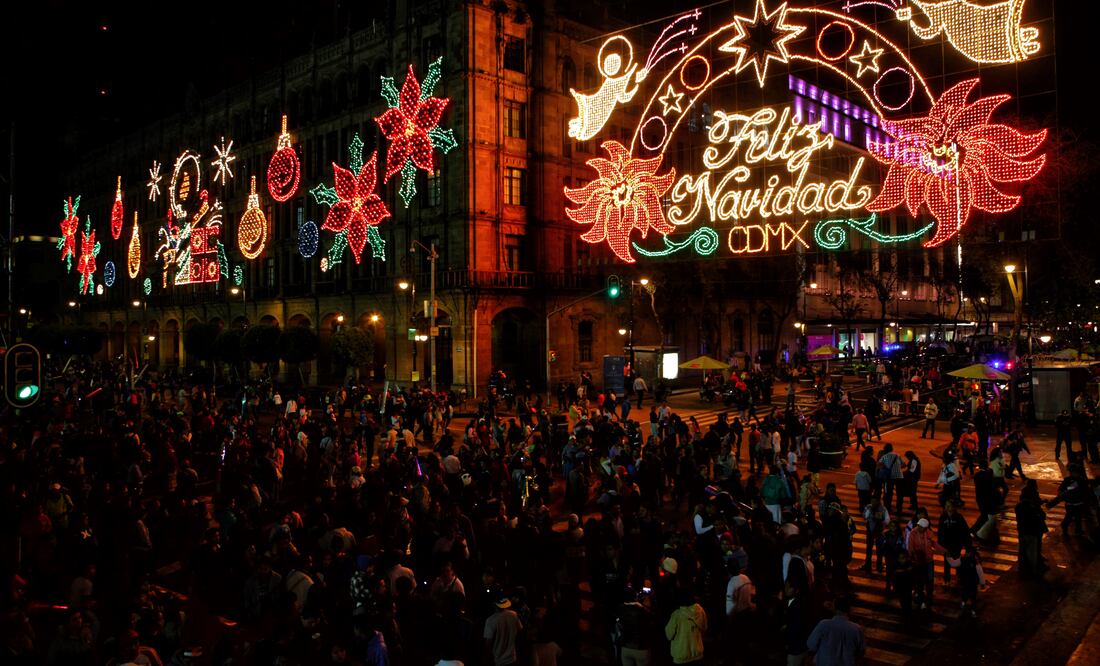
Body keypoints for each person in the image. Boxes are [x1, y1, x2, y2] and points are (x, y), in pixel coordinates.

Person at [806, 597, 865, 666]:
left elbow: (811, 644)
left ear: (834, 608)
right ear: (849, 609)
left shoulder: (824, 624)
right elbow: (861, 652)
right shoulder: (857, 629)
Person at [1015, 480, 1048, 576]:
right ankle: (1033, 568)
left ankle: (1023, 566)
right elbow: (1040, 516)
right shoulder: (1031, 508)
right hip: (1032, 530)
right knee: (1032, 550)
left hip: (1022, 530)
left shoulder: (1019, 507)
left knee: (1022, 549)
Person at [664, 589, 707, 665]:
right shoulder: (700, 611)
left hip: (681, 656)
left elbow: (669, 635)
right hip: (697, 654)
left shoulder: (676, 615)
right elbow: (704, 628)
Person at [484, 592, 524, 666]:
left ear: (493, 604)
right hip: (513, 658)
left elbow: (488, 644)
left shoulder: (491, 620)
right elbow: (520, 632)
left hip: (498, 661)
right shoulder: (514, 615)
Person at [616, 588, 654, 666]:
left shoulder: (620, 609)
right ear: (635, 597)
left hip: (625, 647)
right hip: (641, 647)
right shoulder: (642, 610)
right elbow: (652, 619)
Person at [861, 498, 890, 573]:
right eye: (872, 501)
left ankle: (879, 566)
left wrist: (881, 520)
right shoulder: (868, 507)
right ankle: (868, 565)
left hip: (879, 532)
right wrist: (868, 514)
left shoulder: (883, 509)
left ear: (878, 501)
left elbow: (887, 521)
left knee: (879, 549)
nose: (873, 502)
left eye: (875, 501)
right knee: (869, 549)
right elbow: (864, 516)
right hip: (870, 531)